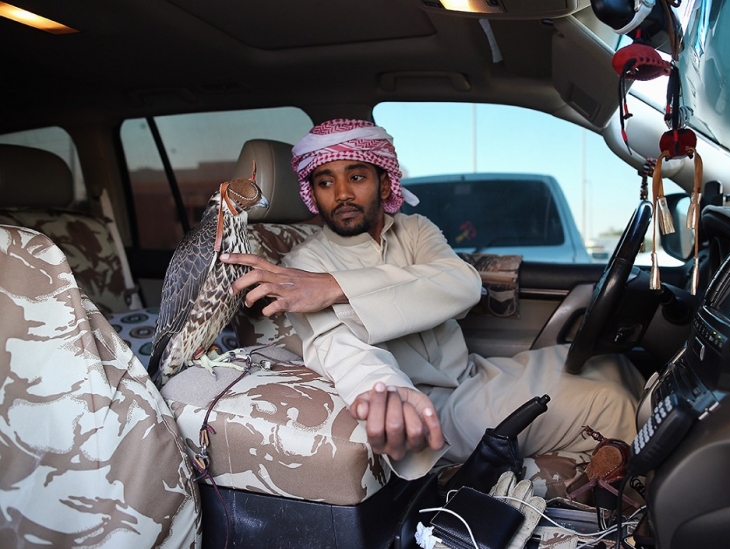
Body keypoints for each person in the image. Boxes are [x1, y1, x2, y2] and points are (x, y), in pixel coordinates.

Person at [222, 118, 643, 479]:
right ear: (313, 192)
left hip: (474, 374)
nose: (342, 194)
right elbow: (334, 344)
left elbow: (461, 285)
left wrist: (336, 285)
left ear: (384, 180)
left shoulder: (414, 229)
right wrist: (383, 389)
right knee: (610, 402)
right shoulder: (303, 264)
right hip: (434, 401)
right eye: (326, 182)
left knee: (611, 364)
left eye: (356, 176)